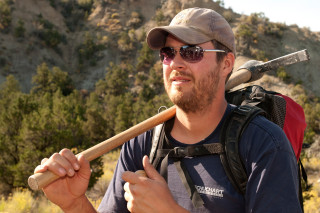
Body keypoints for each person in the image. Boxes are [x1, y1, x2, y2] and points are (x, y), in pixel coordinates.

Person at [35, 7, 302, 213]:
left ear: (226, 64)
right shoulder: (142, 143)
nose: (175, 63)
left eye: (192, 51)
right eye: (167, 53)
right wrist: (73, 204)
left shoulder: (263, 143)